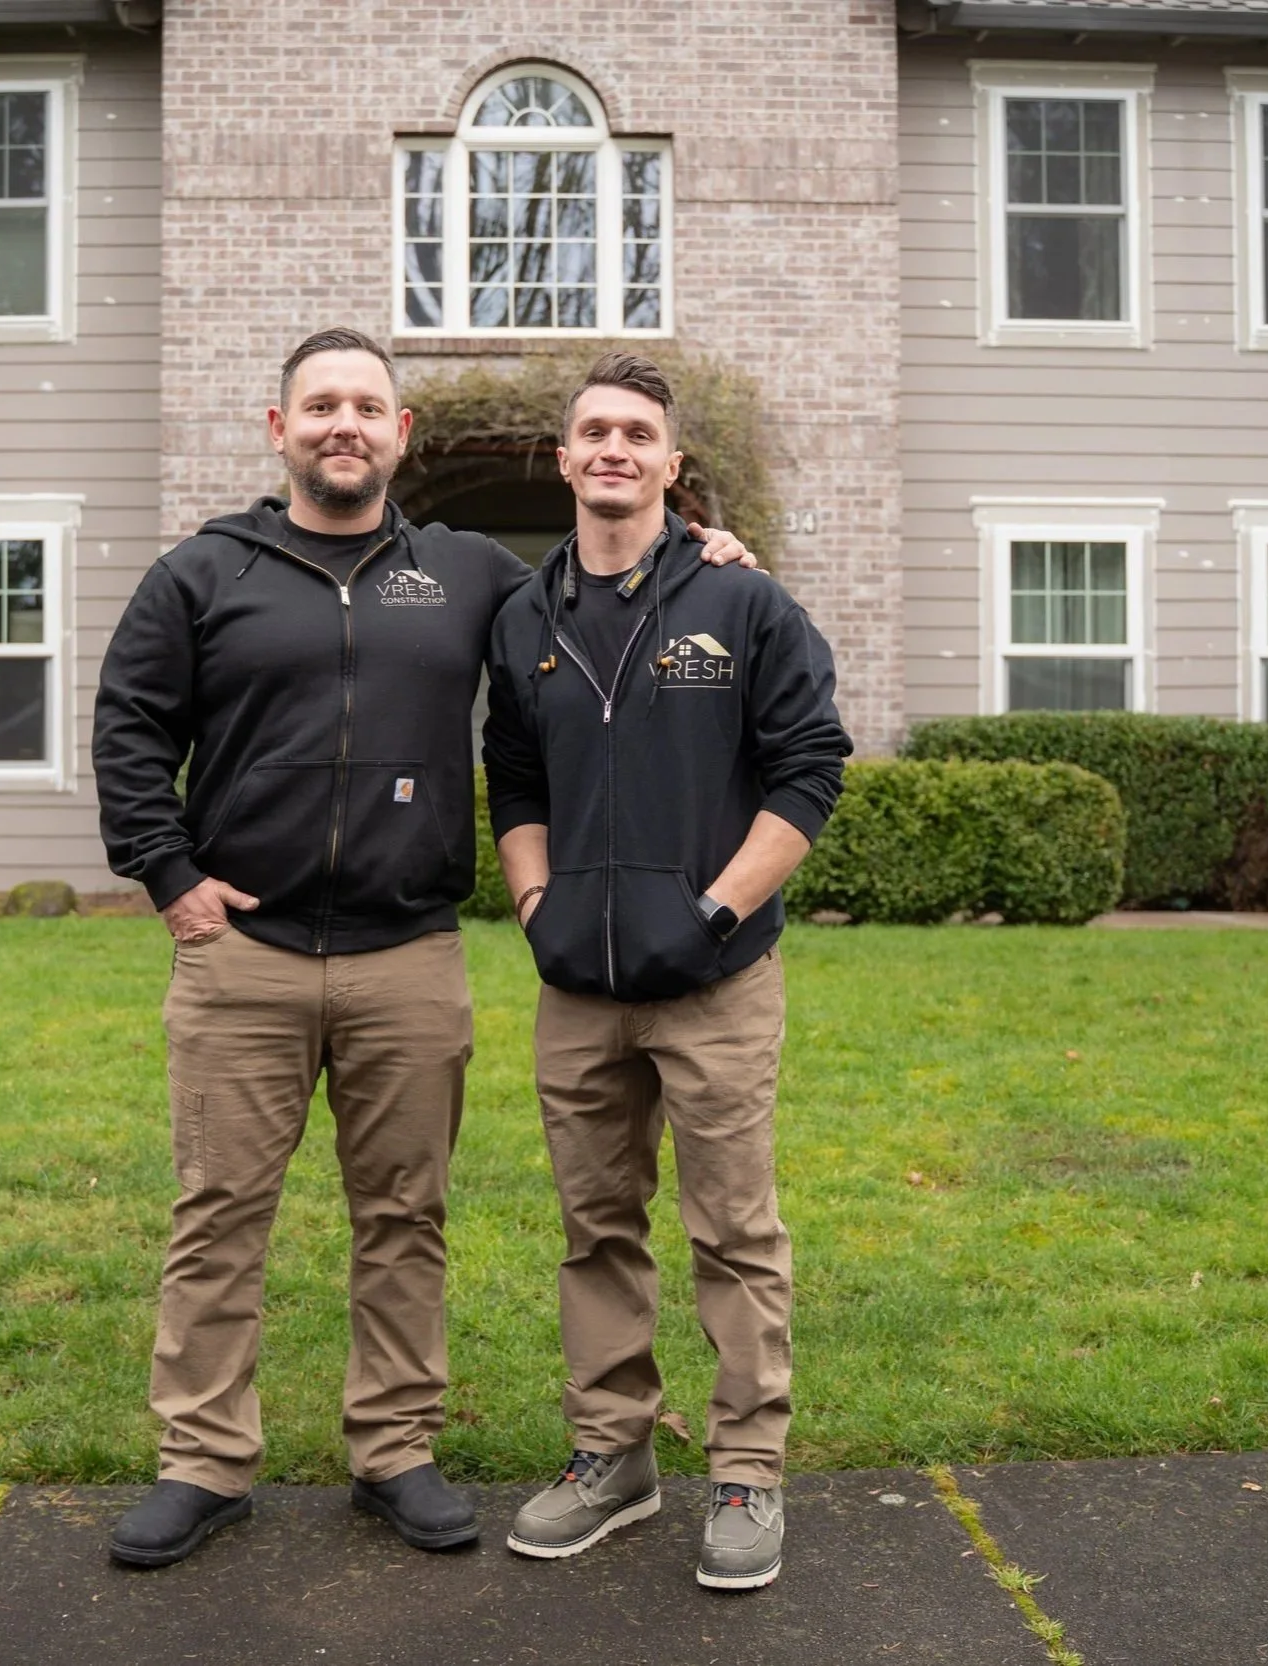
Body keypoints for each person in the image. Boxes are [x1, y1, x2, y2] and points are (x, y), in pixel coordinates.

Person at [91, 328, 759, 1567]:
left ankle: (393, 1449)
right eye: (319, 405)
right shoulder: (202, 573)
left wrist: (709, 555)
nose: (343, 424)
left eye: (367, 407)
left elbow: (604, 586)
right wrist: (170, 877)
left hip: (408, 956)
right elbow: (129, 726)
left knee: (404, 1215)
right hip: (244, 953)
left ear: (402, 436)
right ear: (277, 428)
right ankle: (202, 1462)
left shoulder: (469, 574)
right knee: (217, 1214)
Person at [482, 351, 851, 1590]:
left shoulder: (744, 605)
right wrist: (532, 898)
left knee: (733, 1229)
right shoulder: (524, 618)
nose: (612, 450)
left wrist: (715, 908)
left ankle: (746, 1469)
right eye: (592, 430)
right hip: (577, 988)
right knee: (595, 1229)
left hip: (714, 979)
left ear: (670, 463)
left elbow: (809, 770)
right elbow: (517, 779)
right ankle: (612, 1456)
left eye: (637, 432)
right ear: (564, 457)